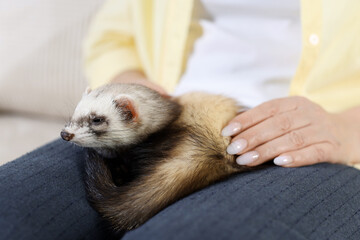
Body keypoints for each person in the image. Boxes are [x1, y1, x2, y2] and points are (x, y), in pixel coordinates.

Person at [1, 1, 360, 239]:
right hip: (161, 116)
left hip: (313, 143)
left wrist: (345, 129)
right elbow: (113, 35)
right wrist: (132, 83)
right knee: (9, 211)